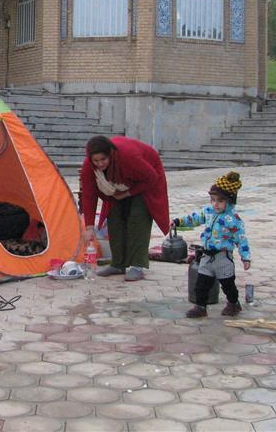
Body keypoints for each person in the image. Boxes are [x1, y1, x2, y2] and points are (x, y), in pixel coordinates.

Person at [79, 136, 169, 281]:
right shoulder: (89, 167)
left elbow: (152, 177)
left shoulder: (128, 157)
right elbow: (89, 195)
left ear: (110, 154)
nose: (100, 164)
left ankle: (137, 265)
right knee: (114, 218)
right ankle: (118, 263)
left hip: (145, 182)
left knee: (137, 219)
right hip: (118, 187)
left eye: (103, 159)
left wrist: (128, 193)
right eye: (96, 161)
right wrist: (89, 227)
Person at [173, 171, 251, 318]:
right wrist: (178, 222)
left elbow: (241, 240)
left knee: (228, 284)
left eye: (220, 201)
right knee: (201, 284)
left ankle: (234, 303)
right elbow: (194, 218)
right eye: (213, 200)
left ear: (230, 201)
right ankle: (200, 307)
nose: (216, 204)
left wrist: (245, 257)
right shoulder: (208, 212)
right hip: (207, 256)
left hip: (223, 257)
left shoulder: (233, 219)